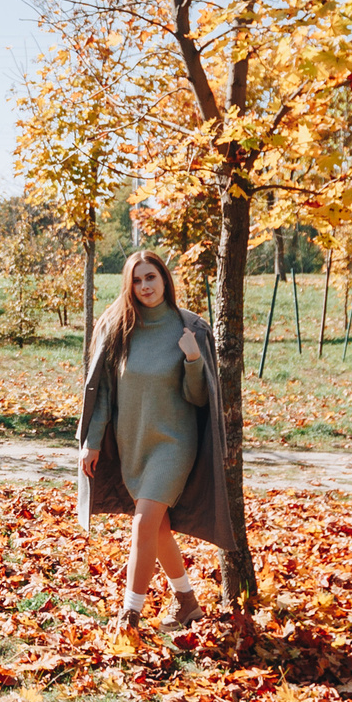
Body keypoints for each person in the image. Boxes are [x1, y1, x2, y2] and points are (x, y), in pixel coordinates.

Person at [74, 248, 234, 629]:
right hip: (133, 445)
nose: (145, 286)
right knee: (158, 529)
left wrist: (193, 360)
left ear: (165, 279)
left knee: (144, 524)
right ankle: (187, 603)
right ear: (129, 286)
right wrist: (92, 441)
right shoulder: (119, 328)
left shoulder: (189, 328)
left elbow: (199, 398)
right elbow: (105, 391)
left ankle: (129, 614)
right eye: (137, 280)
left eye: (151, 277)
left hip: (174, 445)